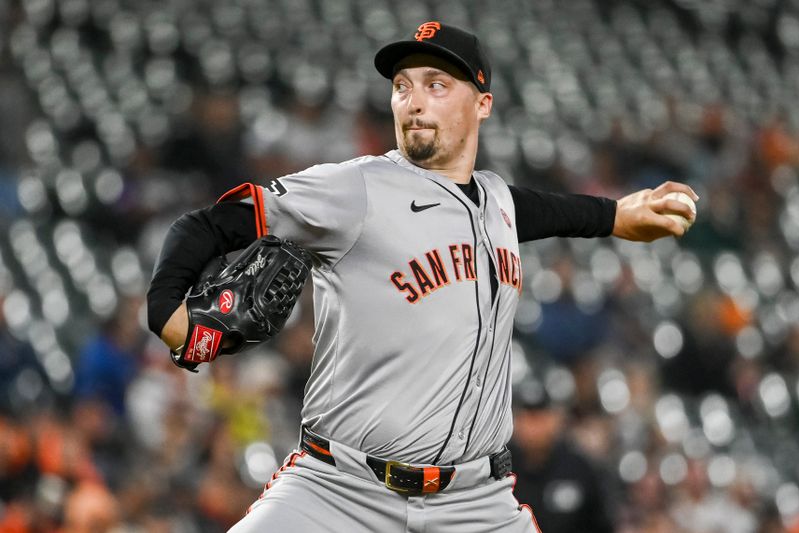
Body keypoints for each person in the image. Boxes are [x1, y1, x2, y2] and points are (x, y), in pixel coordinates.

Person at [147, 21, 697, 532]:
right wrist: (168, 315)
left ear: (483, 104)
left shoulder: (499, 202)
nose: (413, 102)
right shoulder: (357, 189)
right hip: (340, 490)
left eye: (437, 85)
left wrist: (615, 216)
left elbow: (541, 210)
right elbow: (209, 224)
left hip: (476, 502)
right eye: (403, 87)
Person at [510, 378, 615, 533]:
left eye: (541, 417)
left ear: (555, 419)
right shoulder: (500, 471)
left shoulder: (579, 468)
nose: (534, 428)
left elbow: (602, 524)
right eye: (528, 418)